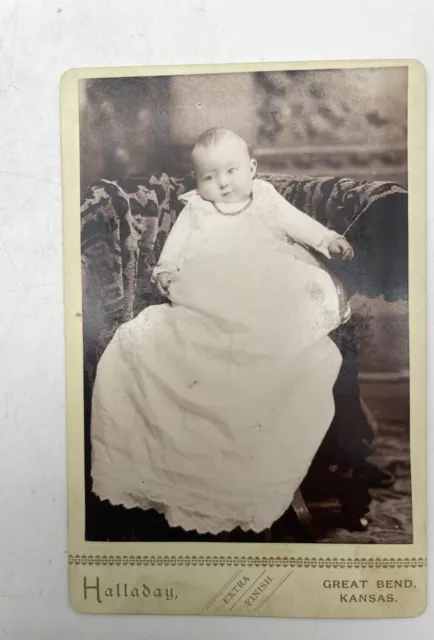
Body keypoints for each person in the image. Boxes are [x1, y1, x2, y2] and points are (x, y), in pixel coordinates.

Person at [90, 128, 355, 536]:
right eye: (209, 176)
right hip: (210, 292)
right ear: (197, 181)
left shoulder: (264, 198)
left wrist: (328, 240)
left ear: (252, 169)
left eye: (231, 171)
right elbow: (176, 247)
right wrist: (165, 269)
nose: (222, 183)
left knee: (282, 309)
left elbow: (296, 223)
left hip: (260, 285)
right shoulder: (196, 208)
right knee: (168, 335)